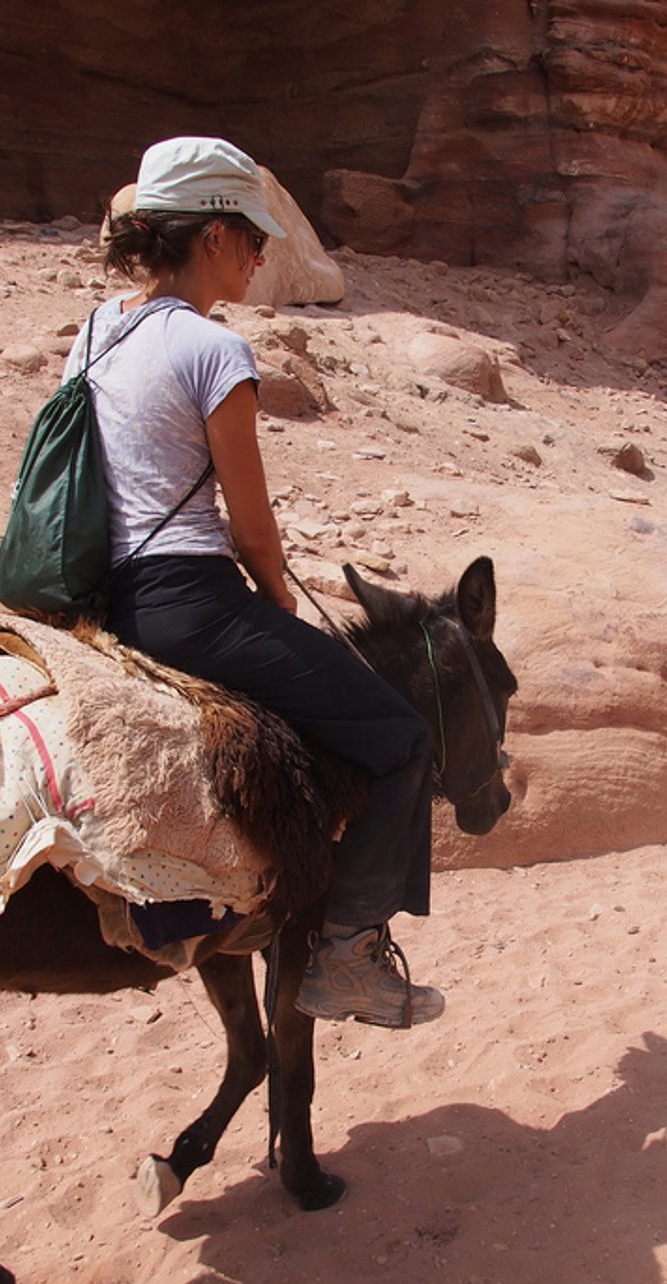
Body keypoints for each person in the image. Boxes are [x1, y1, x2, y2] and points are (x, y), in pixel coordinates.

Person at [67, 135, 441, 1028]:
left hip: (108, 600)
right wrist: (278, 600)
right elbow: (251, 528)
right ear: (211, 239)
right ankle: (347, 954)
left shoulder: (96, 329)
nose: (265, 254)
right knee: (400, 737)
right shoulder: (215, 352)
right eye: (252, 234)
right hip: (191, 604)